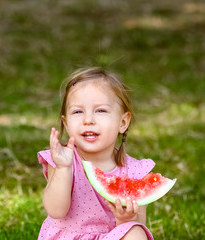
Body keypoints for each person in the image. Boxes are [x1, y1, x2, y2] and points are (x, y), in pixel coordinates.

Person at [38, 67, 154, 240]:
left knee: (135, 232)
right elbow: (55, 210)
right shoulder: (63, 161)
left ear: (123, 122)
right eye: (78, 112)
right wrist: (63, 169)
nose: (88, 120)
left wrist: (125, 220)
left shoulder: (135, 172)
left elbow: (139, 226)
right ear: (66, 123)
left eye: (100, 111)